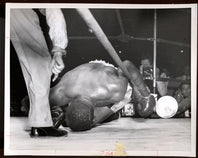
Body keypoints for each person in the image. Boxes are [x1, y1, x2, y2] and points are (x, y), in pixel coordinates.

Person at [22, 60, 156, 131]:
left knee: (94, 122)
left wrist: (144, 94)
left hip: (105, 77)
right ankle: (112, 115)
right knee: (76, 124)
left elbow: (126, 66)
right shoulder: (60, 93)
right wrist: (48, 114)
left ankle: (114, 113)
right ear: (69, 105)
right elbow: (27, 102)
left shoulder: (115, 91)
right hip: (81, 77)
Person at [10, 8, 68, 137]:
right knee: (40, 62)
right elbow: (54, 12)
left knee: (32, 62)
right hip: (17, 10)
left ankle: (40, 123)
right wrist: (58, 49)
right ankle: (40, 124)